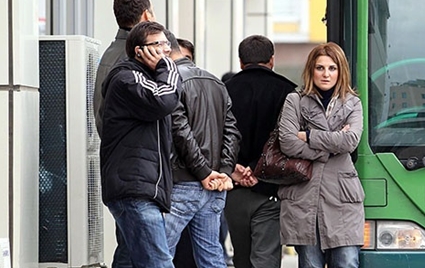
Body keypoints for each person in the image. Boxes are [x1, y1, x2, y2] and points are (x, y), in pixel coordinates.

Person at [99, 21, 181, 268]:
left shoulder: (146, 78)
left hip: (140, 186)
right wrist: (167, 67)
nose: (166, 50)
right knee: (159, 262)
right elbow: (164, 100)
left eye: (166, 44)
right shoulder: (128, 78)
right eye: (158, 45)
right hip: (134, 188)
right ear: (139, 50)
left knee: (129, 261)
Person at [162, 31, 246, 268]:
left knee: (159, 254)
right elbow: (232, 131)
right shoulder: (215, 82)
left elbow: (180, 132)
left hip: (185, 182)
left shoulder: (171, 80)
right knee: (211, 257)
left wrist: (203, 172)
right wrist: (224, 171)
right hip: (216, 184)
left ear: (167, 50)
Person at [277, 42, 364, 268]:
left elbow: (350, 141)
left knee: (346, 263)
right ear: (311, 70)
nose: (326, 74)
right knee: (310, 264)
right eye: (320, 68)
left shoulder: (352, 103)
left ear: (340, 71)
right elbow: (287, 142)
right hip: (305, 197)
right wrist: (331, 146)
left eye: (332, 68)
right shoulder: (294, 100)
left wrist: (308, 135)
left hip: (342, 197)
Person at [93, 0, 155, 268]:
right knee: (145, 254)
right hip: (135, 172)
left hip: (122, 168)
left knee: (131, 248)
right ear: (145, 15)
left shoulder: (112, 53)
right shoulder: (132, 61)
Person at [224, 35, 296, 268]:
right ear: (272, 60)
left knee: (241, 259)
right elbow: (290, 142)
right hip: (271, 189)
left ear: (241, 61)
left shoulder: (224, 90)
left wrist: (237, 169)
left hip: (233, 189)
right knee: (265, 259)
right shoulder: (289, 92)